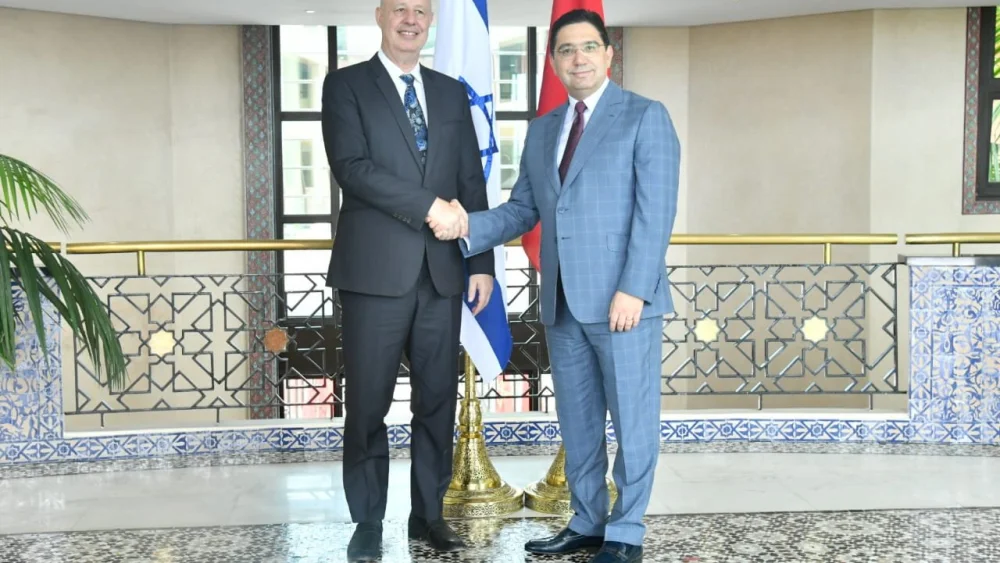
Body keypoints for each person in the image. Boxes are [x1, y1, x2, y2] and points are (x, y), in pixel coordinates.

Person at [429, 9, 679, 563]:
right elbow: (523, 210)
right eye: (566, 50)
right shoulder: (545, 130)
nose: (578, 58)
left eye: (589, 47)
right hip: (562, 303)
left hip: (624, 304)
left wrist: (634, 288)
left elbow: (654, 212)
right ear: (555, 61)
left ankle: (627, 531)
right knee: (579, 425)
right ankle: (588, 521)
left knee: (634, 425)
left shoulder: (645, 117)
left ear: (608, 54)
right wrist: (467, 224)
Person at [320, 0, 495, 560]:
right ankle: (368, 519)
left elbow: (471, 175)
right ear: (380, 15)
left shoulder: (449, 91)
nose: (411, 19)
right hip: (374, 275)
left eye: (421, 10)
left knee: (437, 402)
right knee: (368, 404)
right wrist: (428, 208)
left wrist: (483, 262)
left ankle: (428, 514)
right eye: (401, 9)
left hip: (442, 274)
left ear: (431, 21)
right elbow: (353, 168)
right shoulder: (345, 85)